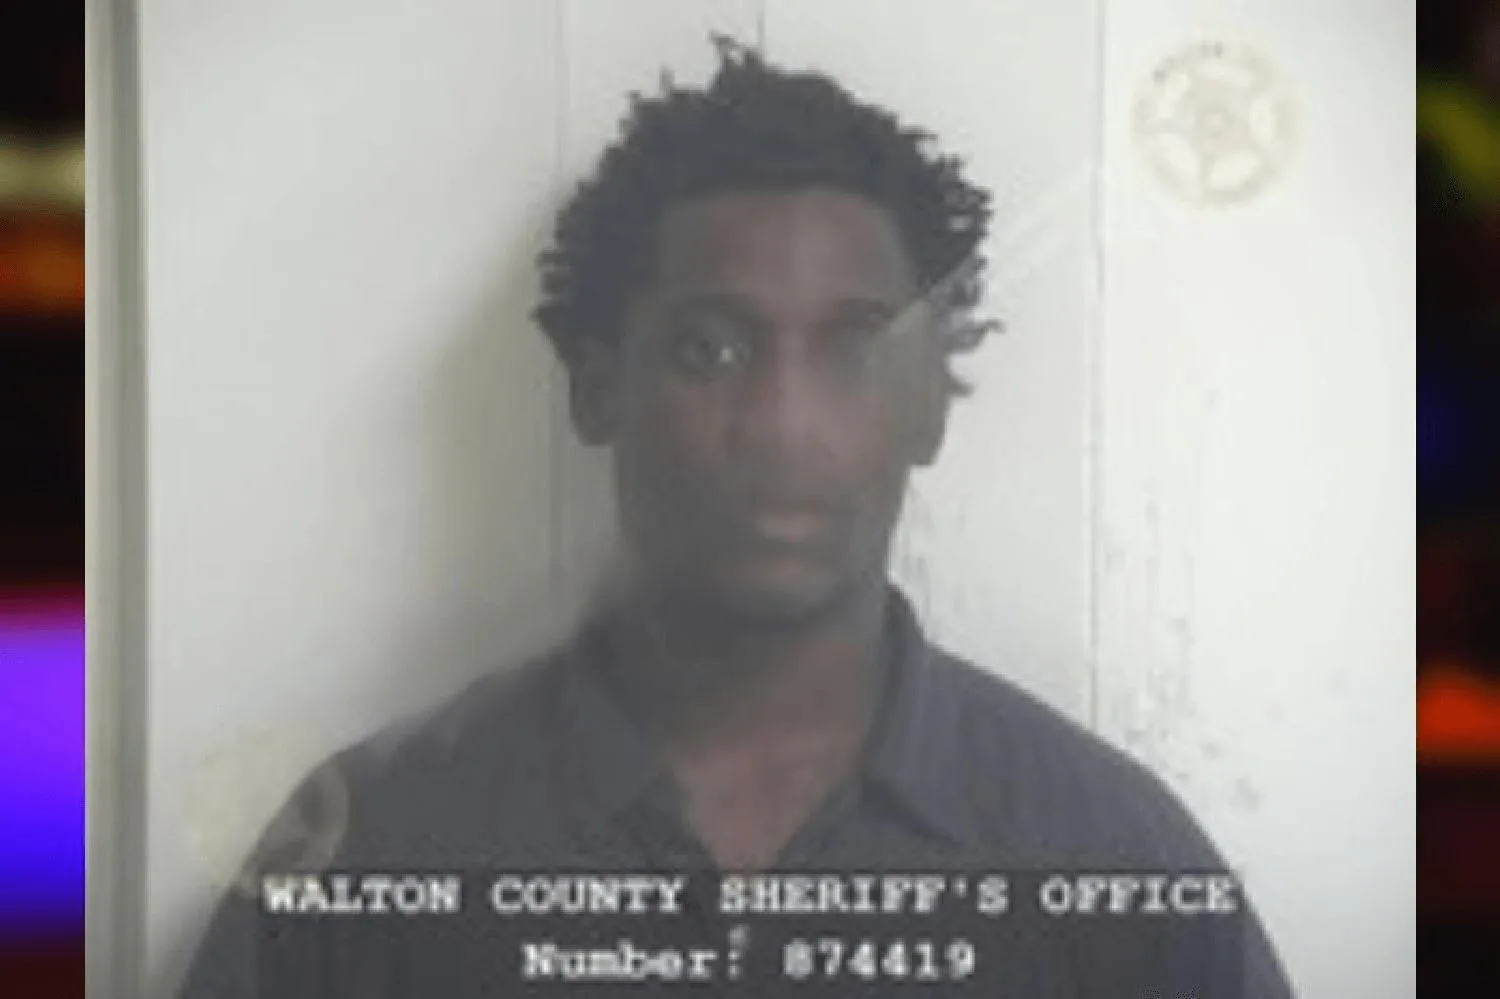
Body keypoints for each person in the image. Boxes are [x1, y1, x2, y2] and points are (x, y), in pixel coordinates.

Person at [177, 38, 1293, 998]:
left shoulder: (1109, 858)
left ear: (929, 407)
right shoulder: (370, 856)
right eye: (710, 347)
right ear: (598, 388)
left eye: (854, 349)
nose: (783, 423)